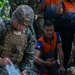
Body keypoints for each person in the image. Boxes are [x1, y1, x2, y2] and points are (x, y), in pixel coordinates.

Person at [0, 5, 37, 75]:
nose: (22, 27)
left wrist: (25, 70)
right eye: (19, 24)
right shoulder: (3, 27)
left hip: (17, 67)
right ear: (14, 18)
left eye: (25, 26)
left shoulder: (28, 34)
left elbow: (29, 56)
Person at [56, 0, 75, 69]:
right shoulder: (65, 3)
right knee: (66, 48)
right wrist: (60, 2)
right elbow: (58, 12)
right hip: (66, 26)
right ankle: (64, 66)